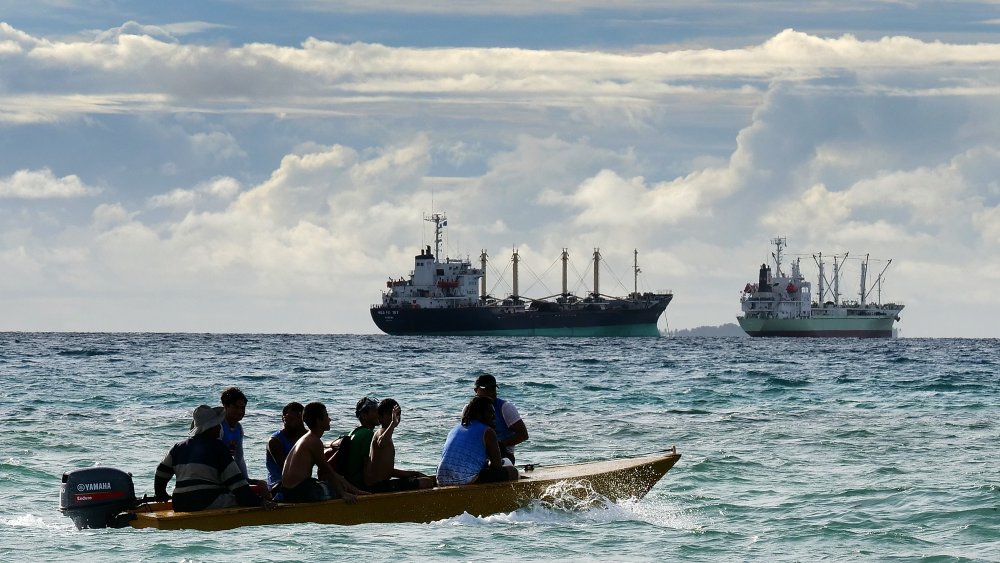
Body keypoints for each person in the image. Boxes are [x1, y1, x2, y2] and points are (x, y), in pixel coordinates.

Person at [154, 405, 263, 512]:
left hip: (179, 503)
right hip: (206, 501)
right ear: (211, 428)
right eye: (217, 425)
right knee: (240, 498)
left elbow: (161, 473)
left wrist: (161, 494)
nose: (220, 427)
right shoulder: (218, 447)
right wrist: (258, 502)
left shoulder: (177, 447)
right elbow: (237, 484)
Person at [281, 402, 366, 503]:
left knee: (335, 484)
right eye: (326, 415)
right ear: (318, 421)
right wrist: (344, 493)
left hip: (289, 490)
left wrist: (353, 489)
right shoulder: (314, 441)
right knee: (333, 488)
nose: (329, 419)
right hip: (298, 491)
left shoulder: (308, 437)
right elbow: (328, 471)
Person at [436, 396, 519, 486]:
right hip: (464, 480)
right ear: (479, 414)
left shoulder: (455, 428)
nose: (494, 417)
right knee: (512, 471)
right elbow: (497, 466)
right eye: (491, 413)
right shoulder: (488, 431)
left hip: (440, 479)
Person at [363, 398, 435, 492]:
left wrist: (414, 473)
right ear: (380, 417)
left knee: (426, 479)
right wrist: (393, 423)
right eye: (391, 415)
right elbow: (382, 442)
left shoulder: (386, 434)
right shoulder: (381, 433)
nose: (396, 417)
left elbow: (388, 471)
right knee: (427, 483)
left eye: (398, 414)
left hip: (381, 484)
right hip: (377, 487)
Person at [474, 373, 529, 464]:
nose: (491, 392)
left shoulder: (505, 407)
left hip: (503, 454)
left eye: (493, 389)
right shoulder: (469, 410)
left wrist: (500, 444)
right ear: (476, 390)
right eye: (486, 389)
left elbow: (523, 434)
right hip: (479, 455)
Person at [265, 401, 306, 490]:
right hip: (278, 486)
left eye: (299, 418)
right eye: (289, 418)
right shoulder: (275, 441)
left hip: (301, 483)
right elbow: (287, 471)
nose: (294, 421)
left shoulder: (307, 438)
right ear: (283, 419)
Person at [342, 396, 379, 490]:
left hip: (351, 482)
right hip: (361, 486)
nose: (379, 413)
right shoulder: (369, 435)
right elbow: (368, 473)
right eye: (375, 411)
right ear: (364, 415)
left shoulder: (354, 432)